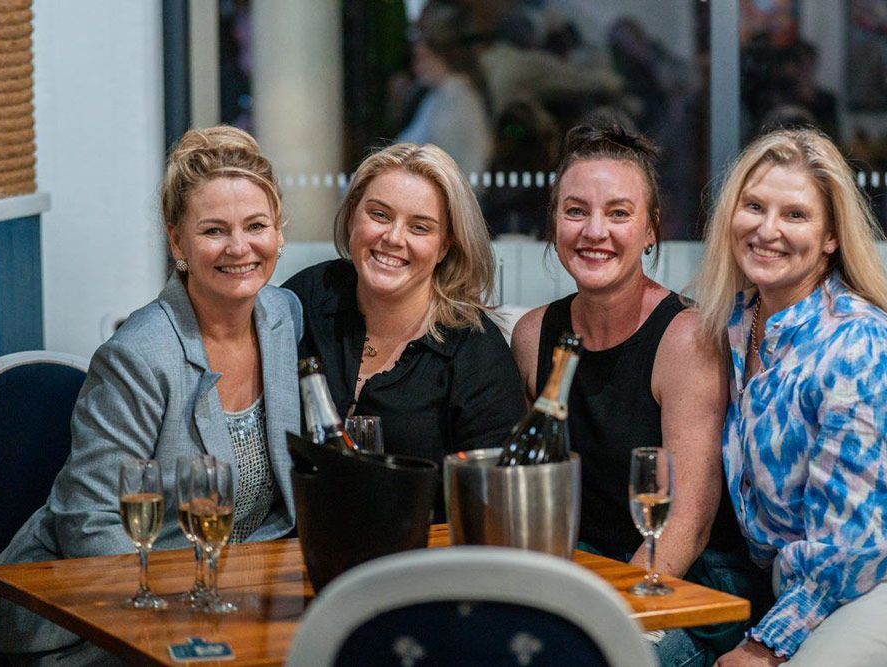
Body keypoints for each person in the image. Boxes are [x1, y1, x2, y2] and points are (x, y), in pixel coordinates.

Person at [0, 126, 302, 664]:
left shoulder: (283, 317)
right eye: (213, 230)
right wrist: (181, 628)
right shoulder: (138, 355)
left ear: (278, 233)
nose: (239, 247)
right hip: (100, 617)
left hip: (233, 600)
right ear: (178, 242)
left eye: (256, 226)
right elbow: (89, 523)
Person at [692, 128, 887, 666]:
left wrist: (765, 645)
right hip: (819, 586)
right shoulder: (735, 326)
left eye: (795, 215)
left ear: (831, 237)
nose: (767, 229)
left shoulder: (860, 346)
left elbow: (858, 542)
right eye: (754, 206)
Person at [510, 122, 769, 666]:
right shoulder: (533, 336)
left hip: (683, 585)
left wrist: (604, 622)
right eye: (575, 211)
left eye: (619, 213)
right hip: (586, 571)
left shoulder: (686, 338)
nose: (594, 231)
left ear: (651, 230)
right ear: (554, 223)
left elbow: (687, 527)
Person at [283, 142, 526, 521]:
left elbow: (496, 502)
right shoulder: (308, 297)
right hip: (300, 546)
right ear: (352, 216)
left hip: (427, 551)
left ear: (445, 246)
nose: (394, 238)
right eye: (379, 215)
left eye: (420, 227)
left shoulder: (476, 351)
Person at [395, 2, 492, 177]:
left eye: (420, 57)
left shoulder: (458, 101)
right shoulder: (437, 98)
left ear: (437, 55)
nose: (415, 66)